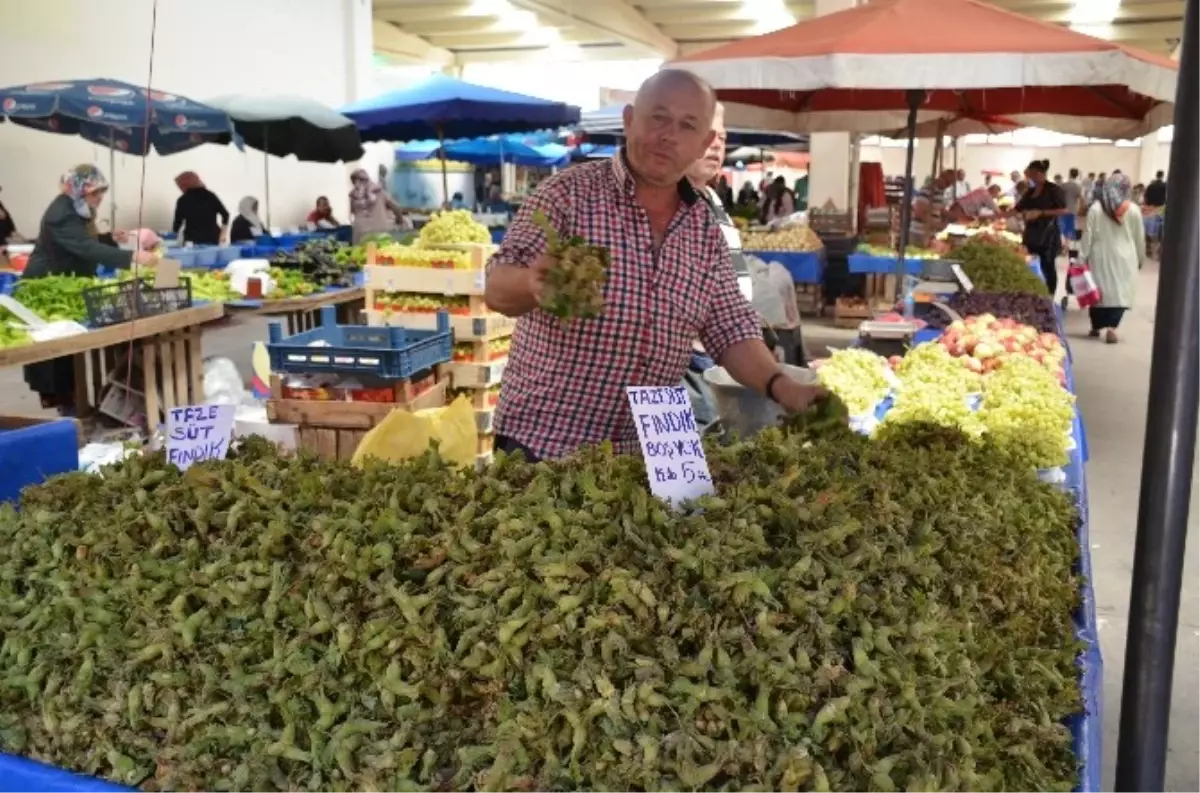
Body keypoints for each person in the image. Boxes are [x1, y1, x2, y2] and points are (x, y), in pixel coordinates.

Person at [483, 69, 826, 462]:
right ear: (629, 121)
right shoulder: (567, 195)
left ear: (705, 143)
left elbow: (730, 328)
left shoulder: (704, 230)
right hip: (548, 441)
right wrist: (532, 283)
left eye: (687, 125)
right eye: (658, 118)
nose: (669, 135)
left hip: (654, 451)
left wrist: (782, 385)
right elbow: (496, 285)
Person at [23, 165, 156, 412]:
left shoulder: (76, 209)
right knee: (55, 348)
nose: (99, 199)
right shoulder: (60, 213)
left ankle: (73, 399)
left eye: (101, 193)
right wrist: (131, 257)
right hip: (48, 282)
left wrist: (110, 239)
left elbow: (87, 241)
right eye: (96, 193)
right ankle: (64, 402)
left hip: (67, 278)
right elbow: (84, 248)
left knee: (68, 344)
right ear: (80, 191)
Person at [1081, 173, 1145, 343]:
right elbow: (1139, 237)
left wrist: (1082, 257)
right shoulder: (1133, 210)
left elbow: (1088, 235)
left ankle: (1095, 327)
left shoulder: (1095, 208)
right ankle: (1112, 328)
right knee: (1120, 294)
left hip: (1100, 255)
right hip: (1126, 257)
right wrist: (1141, 258)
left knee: (1099, 292)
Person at [1013, 159, 1069, 296]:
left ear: (1038, 173)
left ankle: (1049, 295)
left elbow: (1064, 210)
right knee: (1028, 264)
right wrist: (995, 215)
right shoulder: (1030, 191)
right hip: (1031, 234)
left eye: (1030, 174)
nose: (1029, 177)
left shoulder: (1053, 190)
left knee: (1047, 265)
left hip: (1048, 235)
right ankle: (1033, 293)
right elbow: (1017, 209)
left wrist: (1041, 213)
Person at [349, 166, 405, 243]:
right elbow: (396, 207)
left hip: (360, 233)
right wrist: (400, 221)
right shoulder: (380, 192)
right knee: (378, 253)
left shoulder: (353, 195)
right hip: (379, 233)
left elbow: (352, 212)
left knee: (361, 253)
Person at [171, 171, 229, 245]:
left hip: (192, 240)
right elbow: (225, 214)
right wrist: (223, 234)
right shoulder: (210, 196)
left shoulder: (182, 200)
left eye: (180, 186)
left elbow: (177, 223)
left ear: (184, 184)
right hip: (213, 238)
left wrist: (172, 240)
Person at [1059, 168, 1083, 241]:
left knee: (1062, 227)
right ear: (1077, 175)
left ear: (1069, 174)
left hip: (1063, 209)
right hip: (1073, 209)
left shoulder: (1064, 185)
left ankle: (1062, 244)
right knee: (1070, 227)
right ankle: (1068, 245)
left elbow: (1059, 197)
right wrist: (1080, 208)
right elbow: (1080, 198)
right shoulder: (1078, 186)